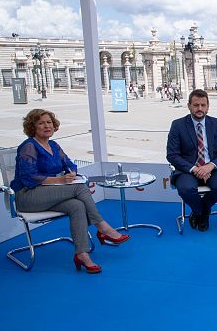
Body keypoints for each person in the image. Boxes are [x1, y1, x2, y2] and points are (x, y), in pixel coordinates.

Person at [10, 109, 129, 274]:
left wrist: (71, 172)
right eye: (41, 123)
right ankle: (102, 227)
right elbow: (28, 177)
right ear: (33, 127)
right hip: (28, 196)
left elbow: (69, 163)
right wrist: (59, 180)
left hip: (49, 194)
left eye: (49, 122)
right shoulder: (29, 146)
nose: (46, 126)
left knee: (77, 206)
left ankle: (82, 254)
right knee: (80, 187)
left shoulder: (53, 145)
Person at [167, 89, 217, 231]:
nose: (200, 109)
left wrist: (210, 166)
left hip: (212, 169)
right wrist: (195, 169)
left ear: (208, 106)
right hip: (187, 170)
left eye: (203, 105)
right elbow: (172, 155)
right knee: (185, 189)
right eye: (196, 105)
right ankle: (201, 213)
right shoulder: (177, 125)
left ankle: (202, 211)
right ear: (189, 105)